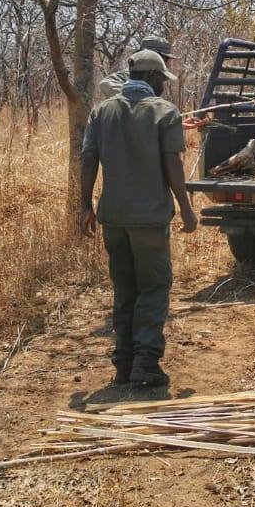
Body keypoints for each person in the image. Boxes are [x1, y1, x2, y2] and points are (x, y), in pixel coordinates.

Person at [80, 49, 197, 388]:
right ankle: (145, 363)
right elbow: (172, 166)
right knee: (154, 287)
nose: (164, 85)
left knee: (125, 288)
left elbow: (88, 161)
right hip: (149, 219)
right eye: (162, 79)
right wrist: (187, 209)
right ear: (151, 78)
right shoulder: (163, 112)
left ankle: (123, 363)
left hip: (113, 217)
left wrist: (85, 206)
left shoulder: (102, 112)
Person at [98, 35, 179, 99]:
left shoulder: (157, 77)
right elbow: (105, 84)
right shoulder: (131, 73)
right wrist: (137, 97)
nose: (167, 63)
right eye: (165, 59)